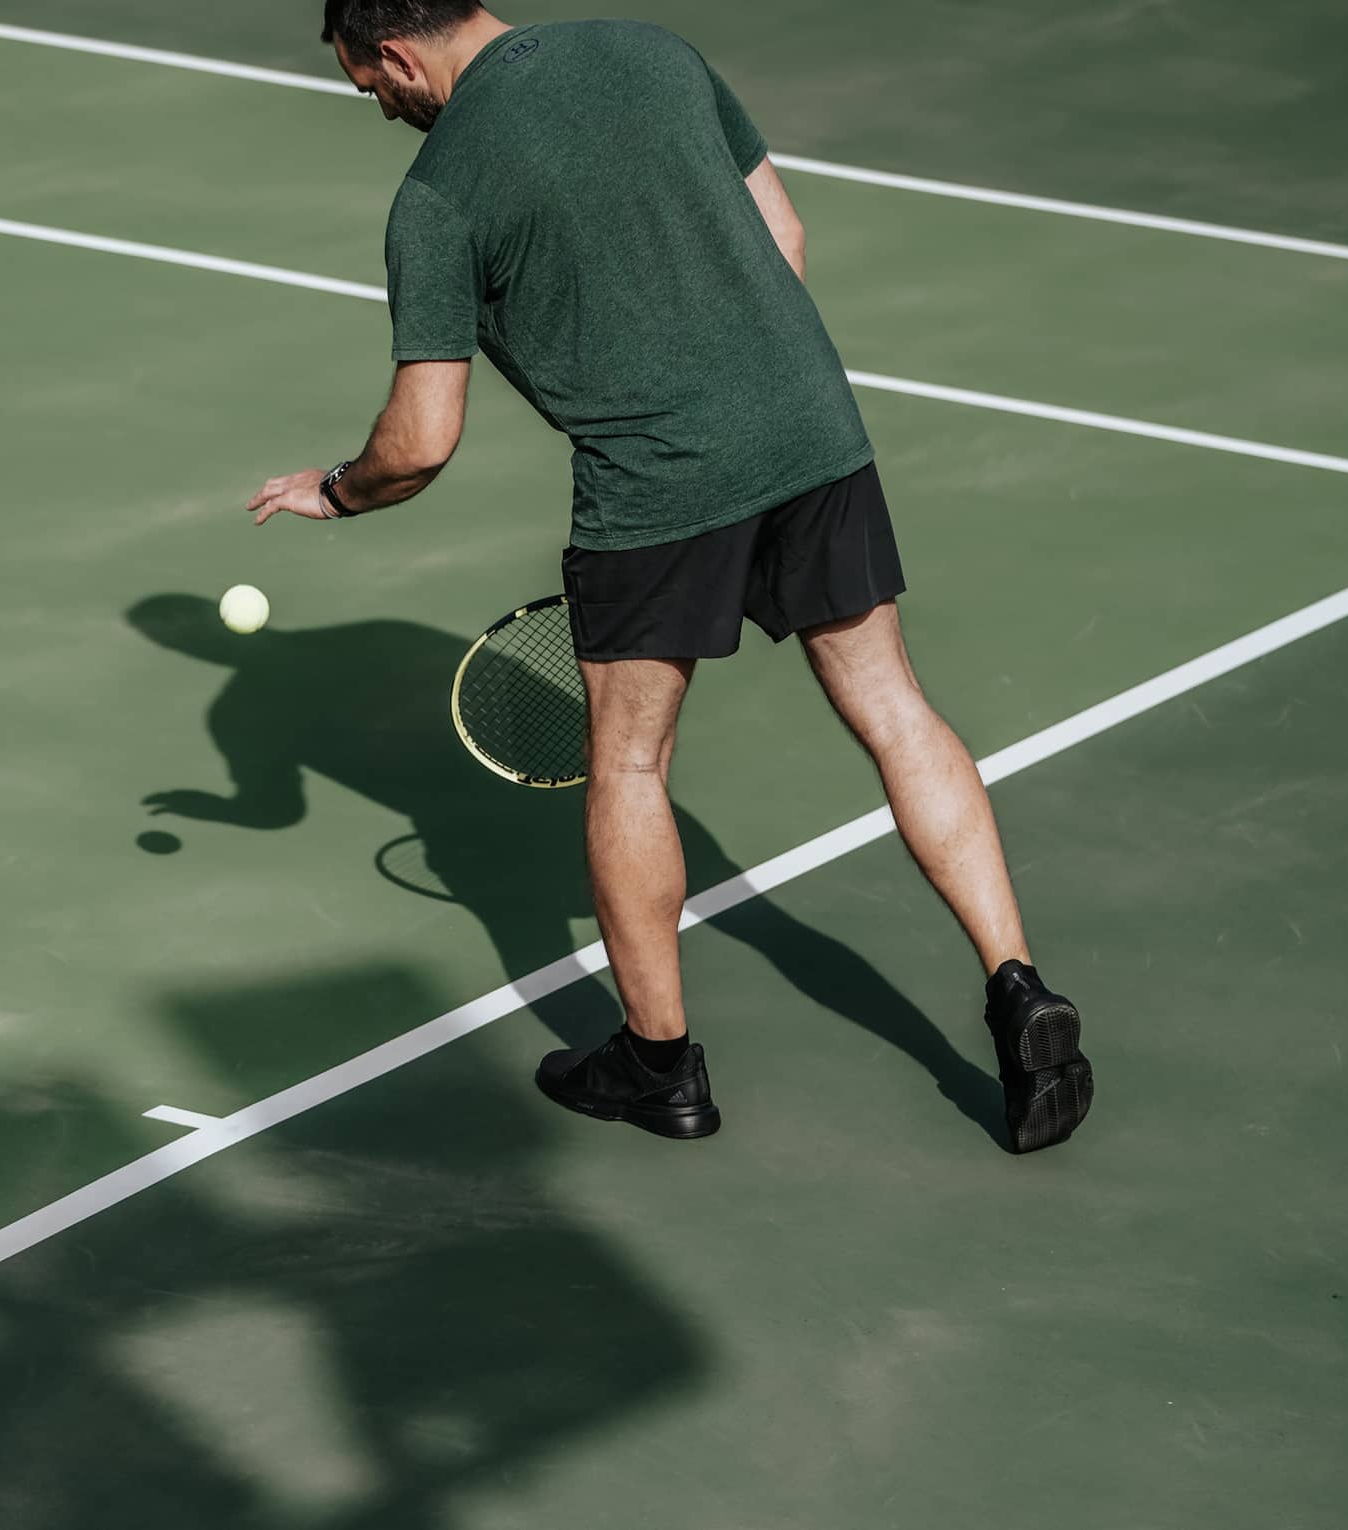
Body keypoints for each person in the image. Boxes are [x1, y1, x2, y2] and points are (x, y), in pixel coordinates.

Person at [248, 1, 1094, 1154]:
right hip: (810, 431)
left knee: (630, 764)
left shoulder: (438, 196)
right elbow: (783, 233)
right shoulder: (651, 51)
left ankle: (660, 1067)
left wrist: (340, 490)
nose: (381, 108)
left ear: (394, 52)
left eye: (369, 87)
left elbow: (423, 441)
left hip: (655, 490)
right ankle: (1018, 989)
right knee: (896, 709)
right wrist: (739, 380)